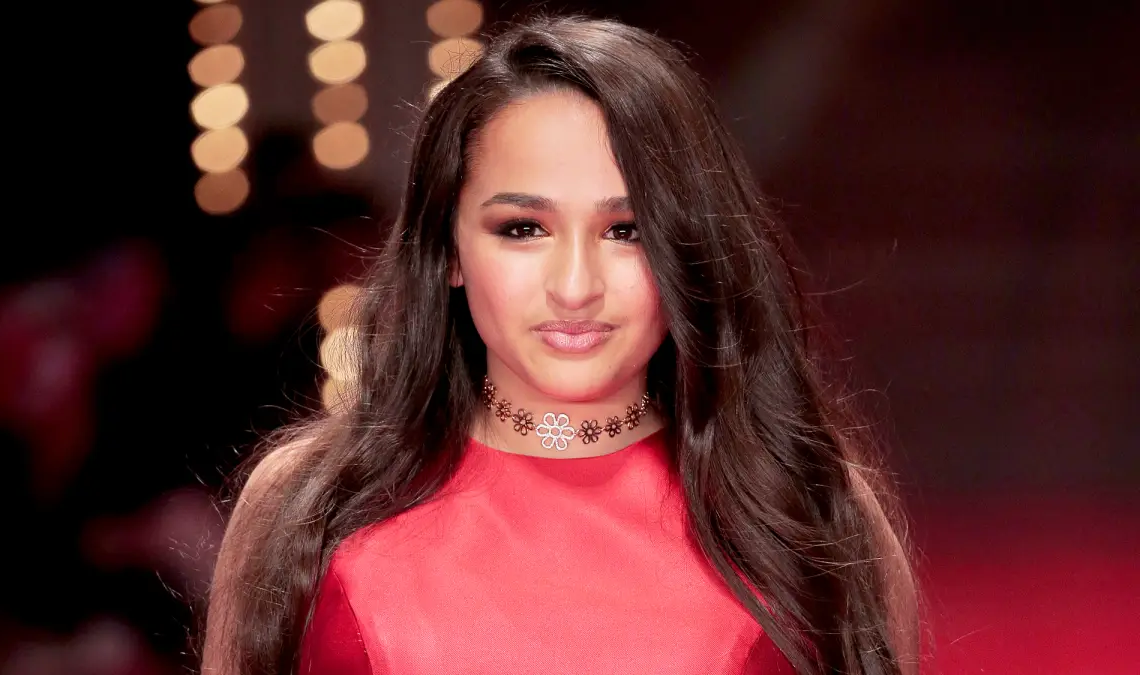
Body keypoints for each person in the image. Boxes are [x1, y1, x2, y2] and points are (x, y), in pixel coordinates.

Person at [203, 14, 918, 675]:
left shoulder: (809, 509)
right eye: (522, 228)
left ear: (688, 249)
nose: (575, 286)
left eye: (626, 230)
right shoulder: (307, 503)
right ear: (449, 248)